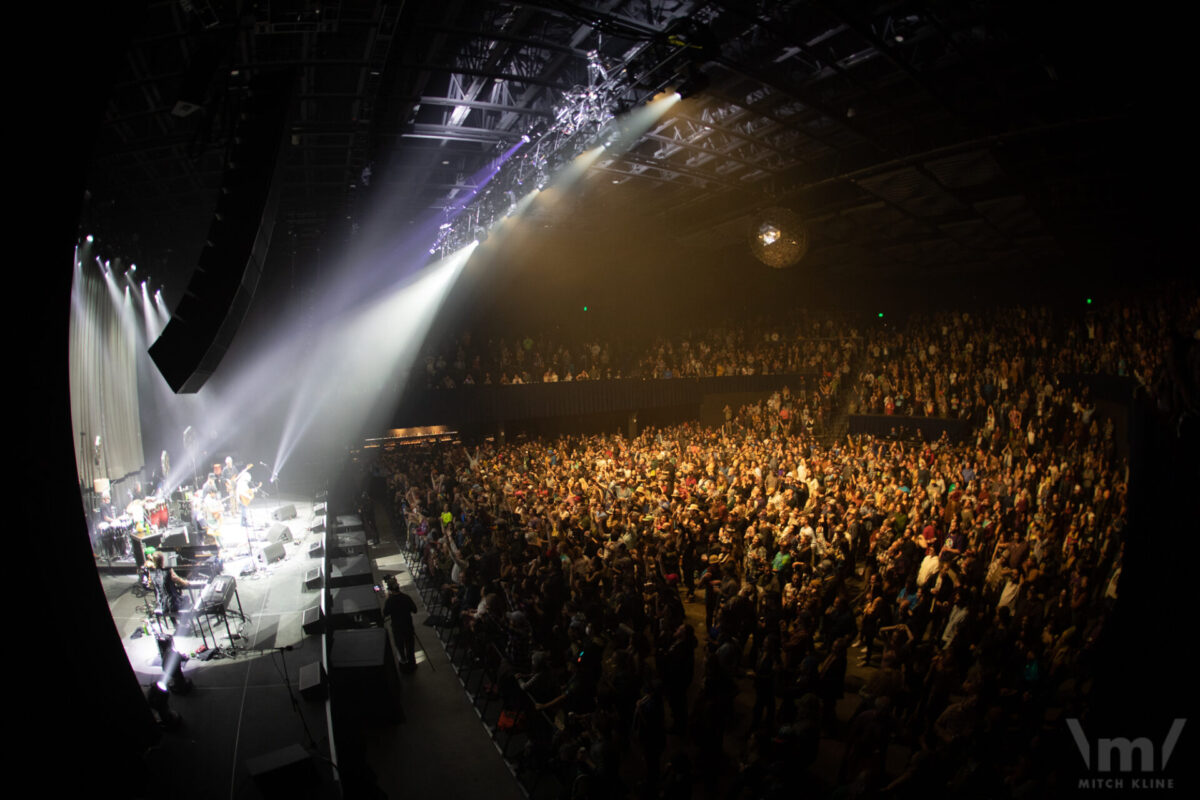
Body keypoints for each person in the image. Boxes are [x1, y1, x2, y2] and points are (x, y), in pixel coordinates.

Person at [383, 576, 419, 670]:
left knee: (400, 648)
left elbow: (385, 613)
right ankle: (412, 665)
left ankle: (403, 666)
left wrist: (387, 600)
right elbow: (415, 610)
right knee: (410, 648)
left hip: (397, 628)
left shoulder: (389, 601)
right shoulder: (406, 598)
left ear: (390, 590)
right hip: (408, 627)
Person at [151, 551, 188, 629]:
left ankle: (175, 623)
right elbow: (180, 582)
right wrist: (187, 582)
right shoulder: (168, 570)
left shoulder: (152, 573)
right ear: (163, 560)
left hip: (161, 604)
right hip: (172, 604)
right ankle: (184, 622)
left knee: (169, 599)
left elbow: (151, 585)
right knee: (186, 598)